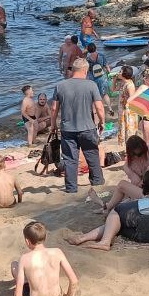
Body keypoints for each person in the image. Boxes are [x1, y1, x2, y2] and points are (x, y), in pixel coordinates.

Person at [51, 57, 105, 194]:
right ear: (85, 70)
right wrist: (102, 121)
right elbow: (99, 107)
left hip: (68, 129)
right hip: (87, 127)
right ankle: (97, 183)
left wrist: (53, 125)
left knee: (70, 160)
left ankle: (71, 188)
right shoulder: (91, 85)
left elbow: (53, 109)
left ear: (73, 70)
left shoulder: (60, 86)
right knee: (92, 156)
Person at [12, 221, 79, 296]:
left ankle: (27, 282)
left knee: (14, 265)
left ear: (27, 241)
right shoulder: (57, 252)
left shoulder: (24, 259)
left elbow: (18, 295)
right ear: (45, 237)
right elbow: (74, 281)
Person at [101, 134, 149, 210]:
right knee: (122, 184)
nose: (137, 157)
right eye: (134, 154)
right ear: (130, 153)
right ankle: (107, 207)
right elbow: (137, 186)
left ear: (145, 148)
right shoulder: (128, 165)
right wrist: (146, 174)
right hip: (143, 191)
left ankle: (107, 207)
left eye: (140, 154)